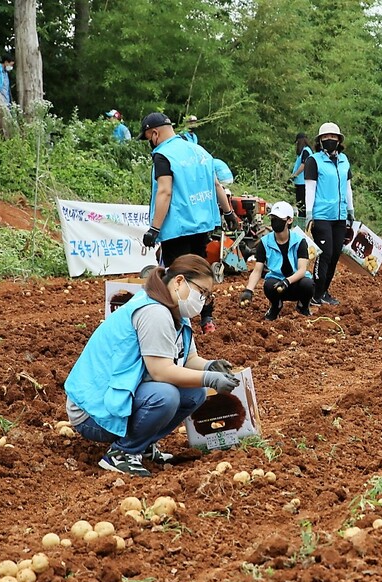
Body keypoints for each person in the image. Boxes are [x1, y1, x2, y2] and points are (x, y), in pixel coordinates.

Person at [64, 255, 240, 477]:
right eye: (201, 292)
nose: (203, 300)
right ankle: (122, 453)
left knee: (195, 393)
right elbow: (160, 371)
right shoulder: (154, 312)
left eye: (207, 295)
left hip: (117, 397)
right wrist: (210, 378)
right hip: (92, 413)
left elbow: (189, 359)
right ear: (178, 281)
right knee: (165, 396)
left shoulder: (175, 311)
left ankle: (142, 445)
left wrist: (210, 366)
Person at [138, 112, 237, 334]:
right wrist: (229, 212)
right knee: (200, 269)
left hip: (177, 227)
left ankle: (178, 324)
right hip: (202, 224)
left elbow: (164, 191)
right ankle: (207, 318)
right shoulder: (199, 151)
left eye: (148, 138)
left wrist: (154, 228)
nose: (150, 143)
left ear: (155, 134)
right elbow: (216, 185)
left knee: (177, 276)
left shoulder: (163, 155)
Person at [303, 122, 353, 306]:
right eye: (325, 137)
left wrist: (350, 209)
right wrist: (309, 213)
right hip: (322, 215)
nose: (329, 140)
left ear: (339, 140)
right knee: (325, 254)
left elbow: (347, 187)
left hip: (340, 215)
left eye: (333, 137)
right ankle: (314, 293)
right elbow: (310, 188)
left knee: (335, 255)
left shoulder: (344, 160)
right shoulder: (313, 161)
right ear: (320, 141)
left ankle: (324, 291)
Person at [239, 201, 315, 320]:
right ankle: (276, 306)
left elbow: (302, 270)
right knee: (268, 284)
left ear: (289, 220)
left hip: (295, 282)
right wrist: (249, 290)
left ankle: (303, 306)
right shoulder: (265, 242)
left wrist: (287, 281)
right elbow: (257, 271)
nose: (275, 221)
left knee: (308, 284)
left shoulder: (300, 241)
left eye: (279, 218)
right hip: (277, 283)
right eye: (273, 218)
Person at [289, 133, 313, 218]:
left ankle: (302, 221)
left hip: (302, 182)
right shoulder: (306, 151)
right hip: (300, 181)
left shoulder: (306, 151)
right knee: (301, 205)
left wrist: (294, 175)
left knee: (302, 205)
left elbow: (303, 165)